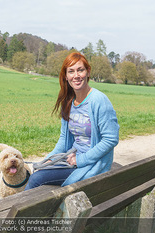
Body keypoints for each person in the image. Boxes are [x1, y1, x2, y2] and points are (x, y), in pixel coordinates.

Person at [25, 52, 119, 190]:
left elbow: (111, 139)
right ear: (66, 76)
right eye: (71, 71)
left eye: (80, 70)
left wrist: (80, 160)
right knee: (38, 172)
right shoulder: (68, 102)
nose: (76, 75)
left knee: (36, 179)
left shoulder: (98, 100)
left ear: (88, 72)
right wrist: (51, 159)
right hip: (71, 160)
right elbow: (64, 138)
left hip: (91, 165)